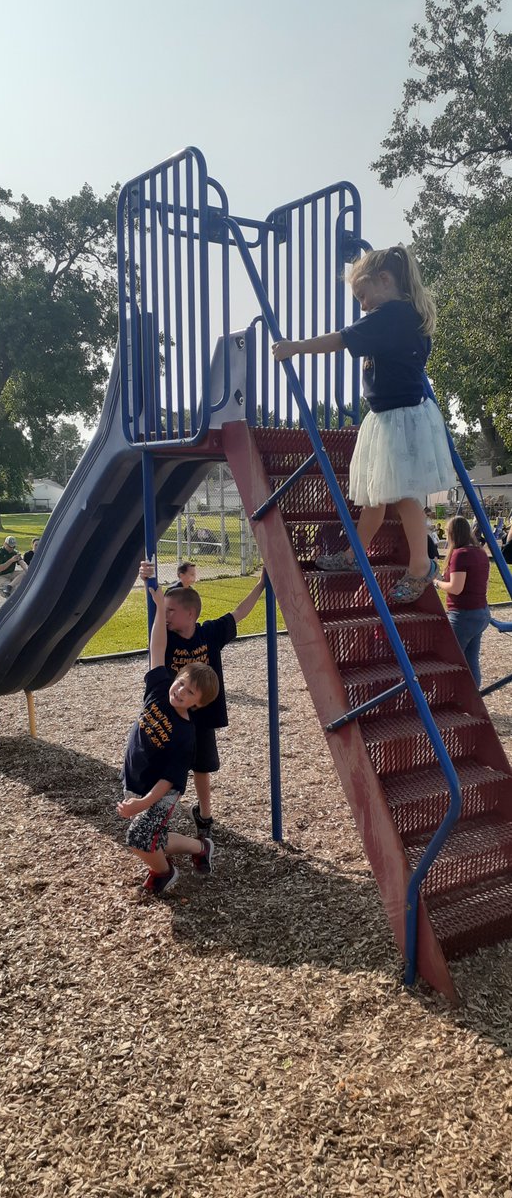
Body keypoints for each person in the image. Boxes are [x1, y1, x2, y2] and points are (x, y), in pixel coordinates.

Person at [272, 245, 455, 604]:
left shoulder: (392, 315)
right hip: (391, 416)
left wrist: (295, 347)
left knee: (403, 497)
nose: (362, 306)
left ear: (384, 281)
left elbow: (340, 339)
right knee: (375, 494)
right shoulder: (402, 316)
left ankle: (421, 564)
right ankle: (355, 554)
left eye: (362, 295)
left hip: (400, 417)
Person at [140, 561, 266, 839]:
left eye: (172, 611)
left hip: (202, 714)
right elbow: (156, 640)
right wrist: (150, 584)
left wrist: (259, 586)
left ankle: (204, 814)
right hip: (172, 716)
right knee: (167, 766)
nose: (167, 616)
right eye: (166, 611)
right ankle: (157, 812)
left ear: (190, 614)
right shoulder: (167, 638)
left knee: (202, 766)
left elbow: (238, 614)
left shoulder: (209, 633)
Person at [116, 578, 220, 896]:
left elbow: (169, 780)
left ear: (197, 704)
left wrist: (142, 804)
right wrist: (160, 607)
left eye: (189, 693)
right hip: (140, 778)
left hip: (162, 791)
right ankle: (201, 847)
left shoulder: (185, 735)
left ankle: (164, 872)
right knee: (155, 837)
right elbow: (157, 647)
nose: (180, 691)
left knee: (138, 839)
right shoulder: (160, 687)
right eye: (181, 683)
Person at [433, 515, 490, 688]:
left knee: (448, 658)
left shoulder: (460, 554)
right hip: (481, 612)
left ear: (452, 534)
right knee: (471, 659)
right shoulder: (480, 552)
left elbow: (456, 588)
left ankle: (449, 695)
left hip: (464, 614)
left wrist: (436, 582)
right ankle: (473, 698)